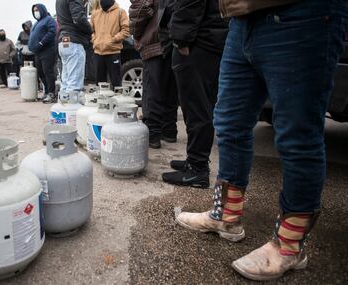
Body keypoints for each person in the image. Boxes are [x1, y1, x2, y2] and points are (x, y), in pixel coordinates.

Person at [175, 0, 347, 281]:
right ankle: (226, 216)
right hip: (242, 19)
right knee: (229, 123)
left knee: (296, 135)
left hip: (302, 14)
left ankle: (289, 246)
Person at [161, 0, 228, 188]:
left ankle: (197, 169)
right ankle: (195, 161)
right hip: (209, 37)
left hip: (199, 40)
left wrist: (181, 37)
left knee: (196, 106)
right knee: (199, 105)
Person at [129, 0, 178, 149]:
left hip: (154, 41)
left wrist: (136, 34)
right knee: (171, 89)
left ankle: (153, 134)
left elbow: (139, 13)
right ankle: (169, 131)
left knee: (153, 90)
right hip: (174, 40)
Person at [56, 0, 93, 96]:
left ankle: (63, 108)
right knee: (74, 85)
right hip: (74, 41)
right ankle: (71, 109)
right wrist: (90, 30)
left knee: (65, 82)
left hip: (63, 41)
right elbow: (79, 19)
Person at [90, 0, 130, 89]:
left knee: (116, 83)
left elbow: (126, 30)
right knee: (99, 84)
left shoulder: (120, 12)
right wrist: (95, 40)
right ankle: (100, 103)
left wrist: (113, 39)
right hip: (98, 53)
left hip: (113, 52)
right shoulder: (95, 14)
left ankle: (117, 101)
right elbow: (91, 31)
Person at [29, 4, 57, 103]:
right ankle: (47, 92)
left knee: (48, 71)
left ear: (42, 10)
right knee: (40, 72)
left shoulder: (49, 19)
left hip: (47, 50)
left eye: (37, 10)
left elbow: (52, 32)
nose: (35, 12)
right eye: (34, 10)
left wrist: (41, 42)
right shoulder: (36, 23)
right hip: (38, 52)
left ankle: (52, 93)